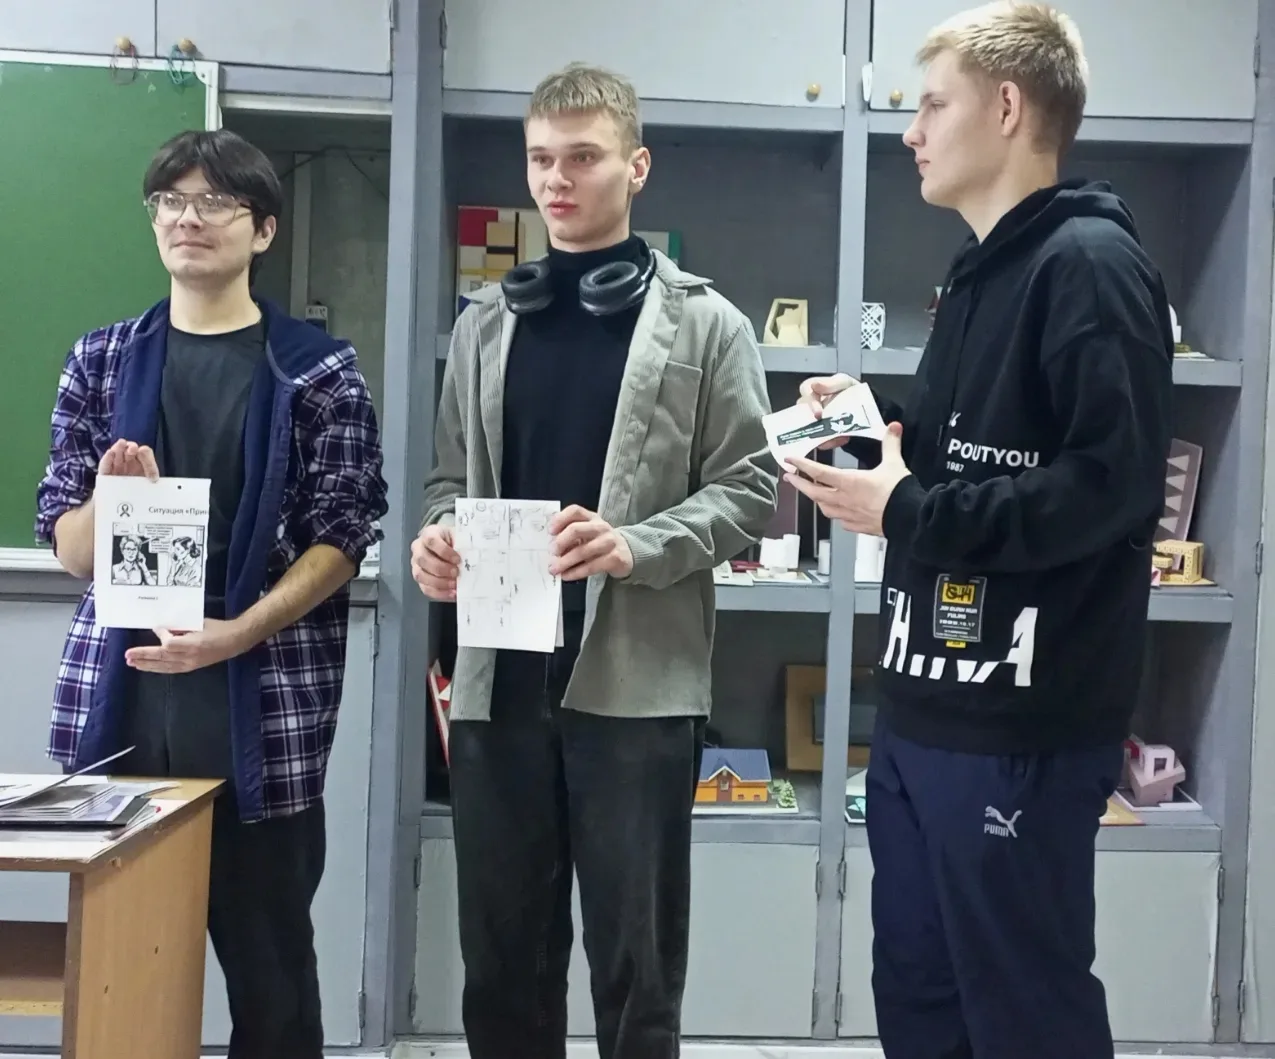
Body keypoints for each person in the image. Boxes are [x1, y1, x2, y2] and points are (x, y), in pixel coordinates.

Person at [787, 4, 1172, 1057]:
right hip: (923, 714)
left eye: (930, 105)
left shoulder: (1089, 265)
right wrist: (869, 428)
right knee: (921, 998)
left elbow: (1109, 488)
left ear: (1006, 107)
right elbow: (965, 458)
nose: (912, 132)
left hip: (1021, 728)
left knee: (1022, 1011)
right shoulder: (974, 271)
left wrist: (906, 509)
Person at [412, 63, 777, 1059]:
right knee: (501, 965)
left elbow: (750, 487)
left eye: (582, 157)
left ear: (636, 166)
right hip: (498, 682)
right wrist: (438, 539)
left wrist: (635, 545)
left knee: (636, 968)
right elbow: (446, 480)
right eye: (541, 159)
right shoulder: (484, 325)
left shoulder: (708, 325)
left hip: (637, 688)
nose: (557, 180)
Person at [35, 128, 388, 1059]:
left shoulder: (316, 370)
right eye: (171, 202)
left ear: (262, 229)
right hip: (125, 714)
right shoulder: (103, 360)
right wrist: (111, 499)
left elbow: (343, 533)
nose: (188, 219)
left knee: (272, 982)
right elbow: (68, 545)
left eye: (215, 203)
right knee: (121, 978)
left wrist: (239, 632)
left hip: (258, 712)